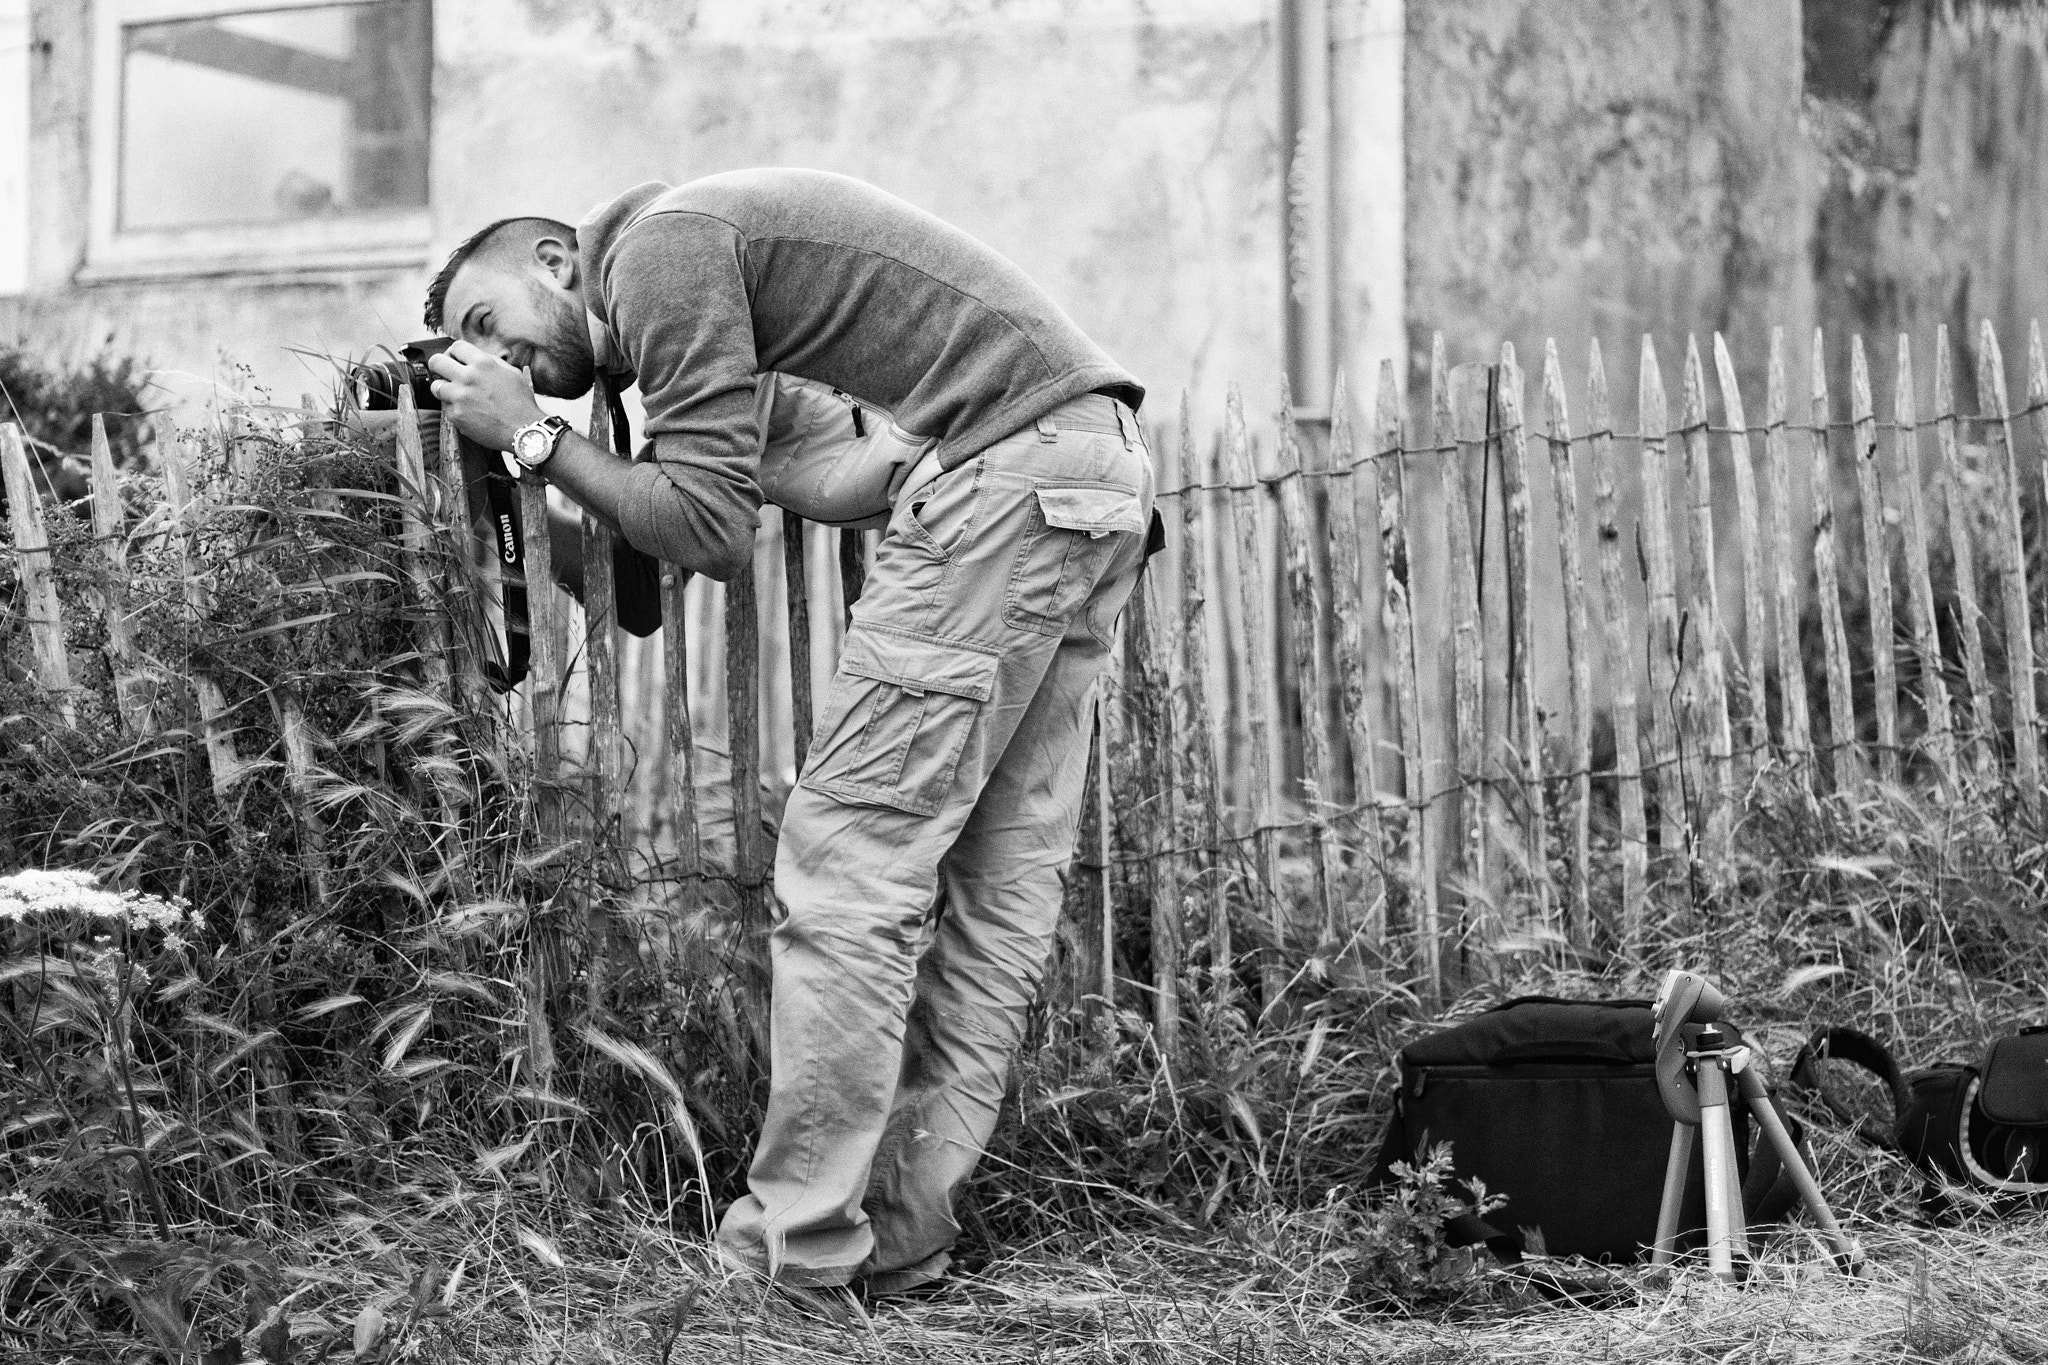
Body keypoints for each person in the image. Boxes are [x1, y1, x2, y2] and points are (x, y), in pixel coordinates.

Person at [420, 167, 1153, 1295]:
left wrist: (529, 441)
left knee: (847, 869)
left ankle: (792, 1257)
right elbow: (817, 468)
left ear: (557, 265)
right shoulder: (708, 275)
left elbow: (708, 533)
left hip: (1008, 475)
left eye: (490, 324)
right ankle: (900, 1239)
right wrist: (568, 452)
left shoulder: (657, 252)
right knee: (999, 889)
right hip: (1091, 472)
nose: (502, 360)